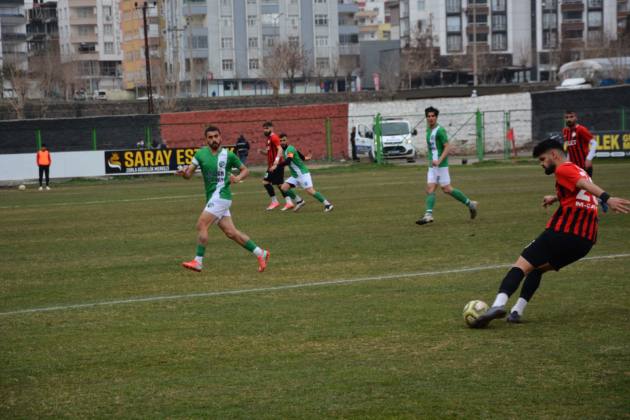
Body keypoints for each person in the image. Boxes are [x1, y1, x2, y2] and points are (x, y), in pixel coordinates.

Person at [471, 138, 630, 328]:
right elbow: (580, 190)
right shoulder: (579, 170)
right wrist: (555, 198)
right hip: (585, 242)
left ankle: (498, 305)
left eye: (542, 159)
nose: (541, 164)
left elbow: (583, 185)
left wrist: (608, 198)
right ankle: (516, 311)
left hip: (563, 232)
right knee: (538, 269)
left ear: (554, 155)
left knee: (521, 265)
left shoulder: (563, 169)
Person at [177, 125, 270, 273]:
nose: (214, 139)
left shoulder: (229, 155)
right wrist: (183, 173)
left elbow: (245, 170)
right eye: (210, 137)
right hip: (213, 198)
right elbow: (188, 175)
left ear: (220, 137)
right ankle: (261, 253)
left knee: (201, 225)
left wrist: (237, 178)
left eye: (216, 136)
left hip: (221, 196)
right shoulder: (200, 154)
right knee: (231, 233)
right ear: (206, 140)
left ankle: (198, 261)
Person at [416, 106, 478, 225]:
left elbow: (447, 147)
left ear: (436, 117)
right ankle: (428, 215)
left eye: (433, 116)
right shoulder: (428, 130)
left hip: (440, 165)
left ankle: (470, 204)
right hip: (432, 166)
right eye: (428, 116)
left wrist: (439, 160)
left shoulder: (440, 130)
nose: (430, 118)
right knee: (430, 189)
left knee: (446, 189)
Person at [279, 133, 334, 212]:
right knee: (284, 187)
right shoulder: (285, 150)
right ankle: (299, 201)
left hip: (302, 174)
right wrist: (306, 158)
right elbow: (301, 157)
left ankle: (328, 205)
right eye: (281, 141)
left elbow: (288, 161)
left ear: (287, 140)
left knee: (310, 191)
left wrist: (277, 165)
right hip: (295, 175)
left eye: (284, 140)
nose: (282, 142)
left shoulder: (290, 149)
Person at [259, 121, 298, 211]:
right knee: (274, 183)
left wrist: (276, 162)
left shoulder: (274, 137)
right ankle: (283, 202)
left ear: (272, 128)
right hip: (272, 166)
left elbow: (280, 149)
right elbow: (270, 153)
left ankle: (285, 202)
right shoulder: (269, 139)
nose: (265, 130)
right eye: (264, 129)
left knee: (273, 183)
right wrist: (262, 152)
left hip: (276, 165)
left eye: (267, 128)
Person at [562, 110, 597, 177]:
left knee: (585, 184)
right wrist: (567, 161)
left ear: (576, 118)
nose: (569, 119)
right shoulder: (565, 131)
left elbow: (594, 143)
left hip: (584, 166)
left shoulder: (581, 129)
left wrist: (589, 159)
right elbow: (570, 148)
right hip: (573, 167)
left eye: (571, 117)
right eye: (567, 117)